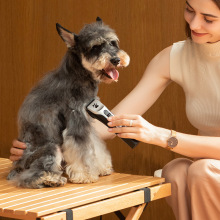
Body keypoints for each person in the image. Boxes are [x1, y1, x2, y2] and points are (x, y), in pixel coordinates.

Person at [10, 0, 220, 219]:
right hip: (203, 172)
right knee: (176, 171)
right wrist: (41, 145)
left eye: (208, 19)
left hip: (206, 172)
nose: (194, 24)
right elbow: (109, 125)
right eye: (189, 10)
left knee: (201, 171)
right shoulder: (174, 57)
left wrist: (162, 136)